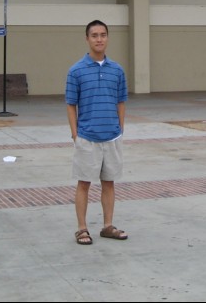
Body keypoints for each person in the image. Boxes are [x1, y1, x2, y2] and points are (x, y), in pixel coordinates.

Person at [65, 20, 129, 245]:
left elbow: (121, 101)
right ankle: (82, 229)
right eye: (94, 35)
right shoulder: (76, 71)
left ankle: (107, 226)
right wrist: (75, 134)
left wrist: (120, 130)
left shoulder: (117, 70)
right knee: (84, 183)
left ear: (107, 38)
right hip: (87, 138)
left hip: (111, 137)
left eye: (103, 35)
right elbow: (71, 105)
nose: (99, 39)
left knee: (109, 182)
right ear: (87, 39)